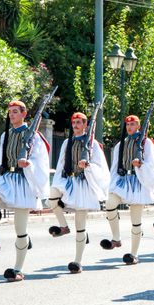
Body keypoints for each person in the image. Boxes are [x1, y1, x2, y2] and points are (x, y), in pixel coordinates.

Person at [0, 100, 50, 282]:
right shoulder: (5, 135)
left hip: (24, 181)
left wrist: (28, 164)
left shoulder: (34, 135)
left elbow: (42, 160)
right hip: (8, 179)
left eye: (15, 112)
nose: (12, 115)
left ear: (24, 114)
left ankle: (17, 269)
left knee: (20, 229)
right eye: (10, 112)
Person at [48, 112, 110, 273]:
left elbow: (101, 165)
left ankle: (78, 261)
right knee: (52, 198)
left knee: (80, 225)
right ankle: (63, 226)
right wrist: (58, 182)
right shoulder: (66, 142)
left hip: (83, 184)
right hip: (68, 180)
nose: (75, 125)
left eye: (78, 122)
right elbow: (61, 163)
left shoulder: (92, 144)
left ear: (85, 125)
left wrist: (88, 166)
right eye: (73, 122)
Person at [103, 115, 154, 264]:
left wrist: (141, 165)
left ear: (138, 126)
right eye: (128, 124)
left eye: (132, 124)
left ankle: (134, 254)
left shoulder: (146, 143)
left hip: (138, 182)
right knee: (110, 204)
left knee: (135, 221)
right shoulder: (121, 144)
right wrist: (111, 184)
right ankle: (116, 238)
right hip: (123, 181)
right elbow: (115, 166)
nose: (129, 127)